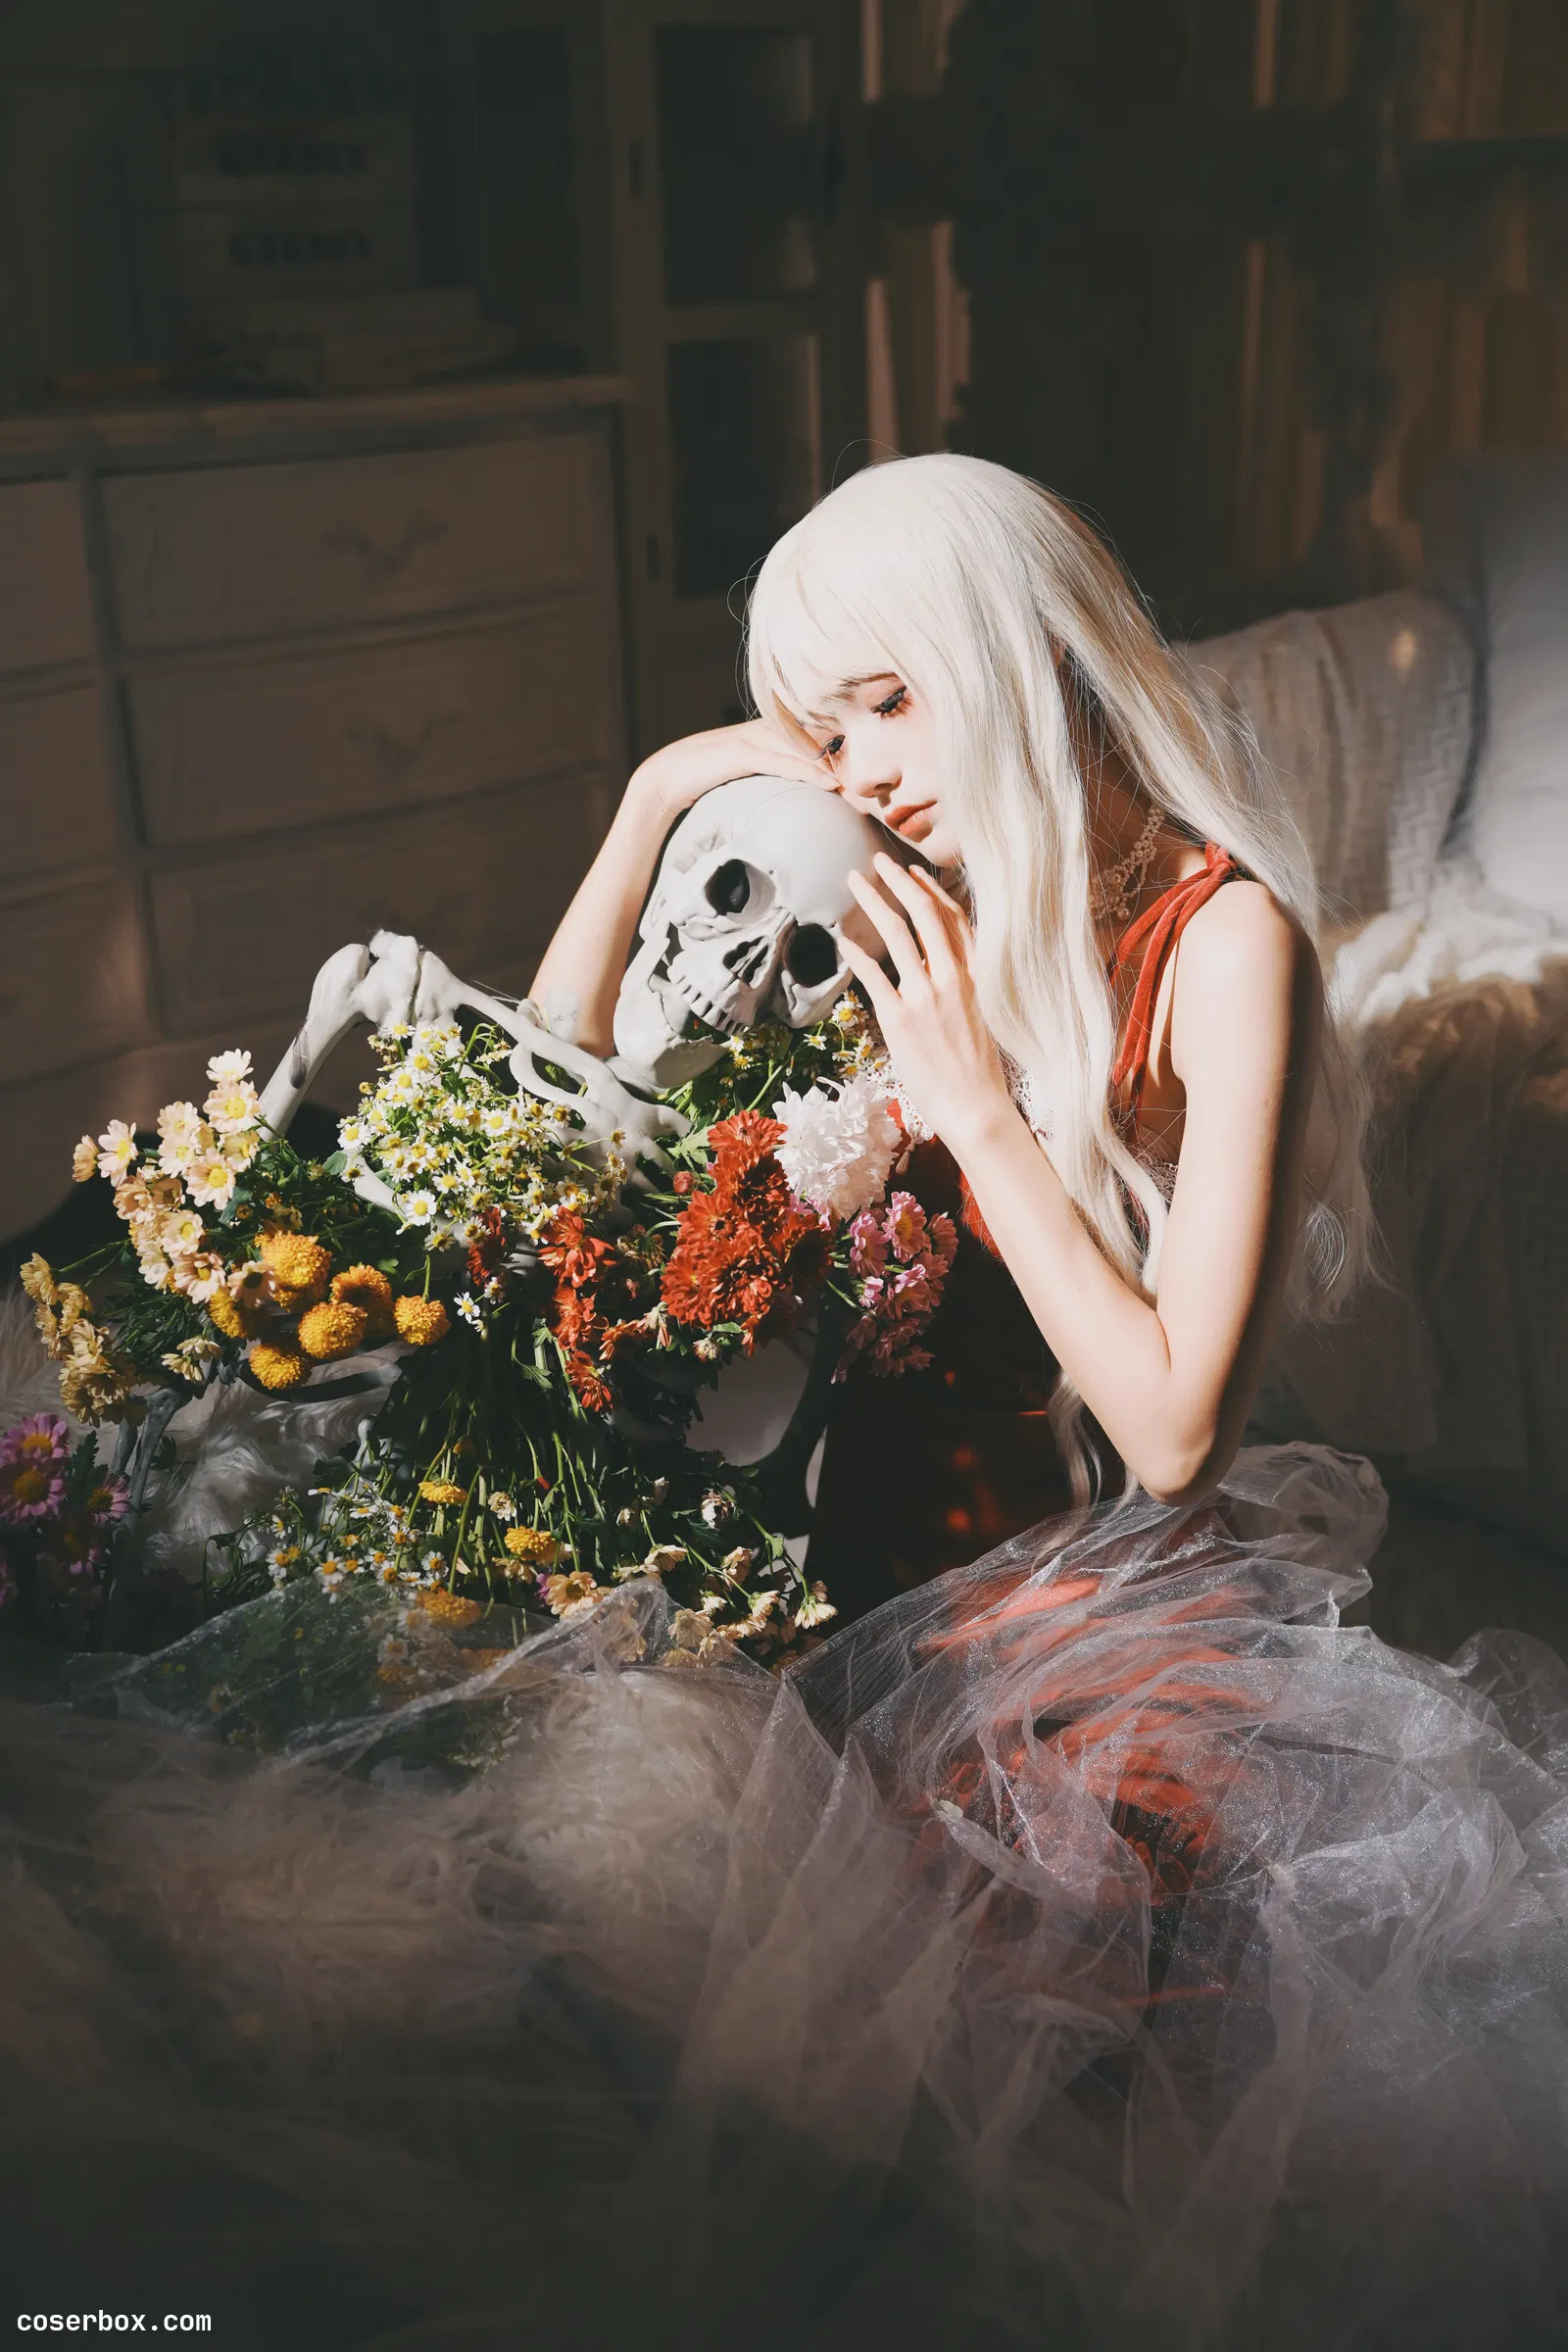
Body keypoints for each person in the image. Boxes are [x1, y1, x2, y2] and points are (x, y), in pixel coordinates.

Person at [5, 458, 1567, 2351]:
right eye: (827, 731)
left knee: (1026, 2083)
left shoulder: (1224, 941)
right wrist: (656, 801)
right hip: (772, 1534)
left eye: (892, 703)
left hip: (1023, 1587)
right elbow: (551, 1126)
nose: (863, 774)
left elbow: (1173, 1431)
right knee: (407, 1860)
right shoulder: (894, 882)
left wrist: (973, 1104)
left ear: (1016, 650)